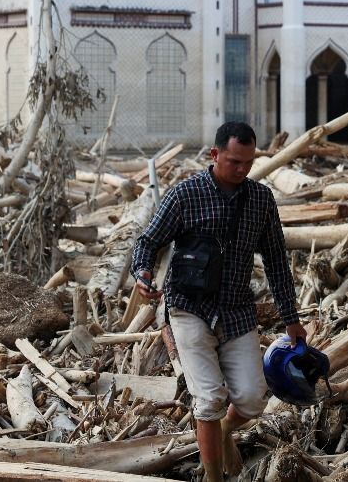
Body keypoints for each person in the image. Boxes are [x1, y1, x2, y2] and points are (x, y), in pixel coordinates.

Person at [131, 122, 305, 481]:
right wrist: (143, 274)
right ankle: (213, 477)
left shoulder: (260, 200)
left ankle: (226, 429)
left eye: (249, 162)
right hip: (189, 309)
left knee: (253, 398)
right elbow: (149, 242)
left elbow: (275, 260)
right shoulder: (185, 195)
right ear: (215, 155)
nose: (242, 169)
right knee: (209, 399)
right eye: (234, 161)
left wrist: (291, 318)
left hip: (237, 312)